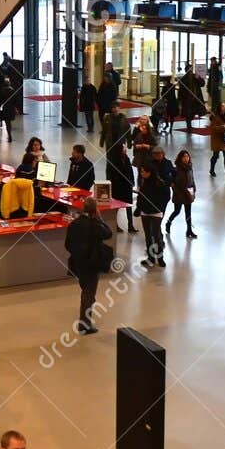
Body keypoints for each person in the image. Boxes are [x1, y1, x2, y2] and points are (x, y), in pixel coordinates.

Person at [65, 197, 113, 334]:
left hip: (78, 263)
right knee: (89, 293)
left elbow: (68, 244)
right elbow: (108, 233)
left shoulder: (74, 224)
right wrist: (100, 219)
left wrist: (77, 253)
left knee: (86, 289)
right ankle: (84, 324)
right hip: (92, 263)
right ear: (95, 210)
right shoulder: (96, 225)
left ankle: (86, 317)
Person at [136, 160, 169, 269]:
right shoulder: (143, 182)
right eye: (141, 171)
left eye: (144, 171)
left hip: (156, 213)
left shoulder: (160, 183)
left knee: (156, 235)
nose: (142, 173)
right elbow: (140, 197)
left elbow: (166, 197)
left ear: (150, 172)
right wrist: (139, 208)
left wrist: (160, 208)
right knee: (148, 236)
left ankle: (160, 258)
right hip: (145, 213)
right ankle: (150, 258)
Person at [165, 149, 197, 240]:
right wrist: (177, 191)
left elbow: (192, 179)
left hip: (188, 193)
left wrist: (194, 188)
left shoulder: (190, 168)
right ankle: (168, 223)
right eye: (184, 157)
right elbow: (172, 183)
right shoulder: (176, 170)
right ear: (180, 158)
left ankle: (189, 230)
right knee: (177, 211)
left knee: (188, 213)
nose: (186, 158)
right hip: (179, 194)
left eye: (187, 156)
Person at [106, 141, 135, 232]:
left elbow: (130, 171)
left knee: (129, 206)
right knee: (116, 207)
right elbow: (110, 175)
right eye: (123, 148)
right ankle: (115, 225)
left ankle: (130, 225)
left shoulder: (126, 158)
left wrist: (132, 182)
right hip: (117, 187)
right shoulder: (112, 160)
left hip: (127, 186)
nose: (125, 149)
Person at [208, 100, 225, 180]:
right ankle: (212, 170)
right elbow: (212, 128)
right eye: (222, 106)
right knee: (215, 156)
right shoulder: (215, 117)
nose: (224, 107)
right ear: (219, 108)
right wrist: (221, 127)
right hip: (217, 140)